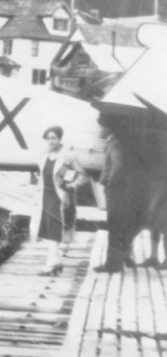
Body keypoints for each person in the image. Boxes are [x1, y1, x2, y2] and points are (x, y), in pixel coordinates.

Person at [94, 117, 167, 272]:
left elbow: (118, 167)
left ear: (109, 127)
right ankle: (123, 255)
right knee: (129, 225)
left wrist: (111, 186)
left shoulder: (116, 142)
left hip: (118, 192)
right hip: (130, 190)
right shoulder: (120, 141)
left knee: (116, 227)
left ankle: (113, 264)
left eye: (101, 127)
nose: (98, 130)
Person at [31, 125, 88, 276]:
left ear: (60, 139)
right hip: (45, 195)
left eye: (54, 138)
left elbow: (82, 175)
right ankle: (56, 262)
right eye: (48, 138)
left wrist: (71, 185)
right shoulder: (43, 155)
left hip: (60, 196)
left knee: (55, 228)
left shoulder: (68, 156)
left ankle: (50, 264)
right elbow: (42, 175)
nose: (51, 141)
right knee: (48, 229)